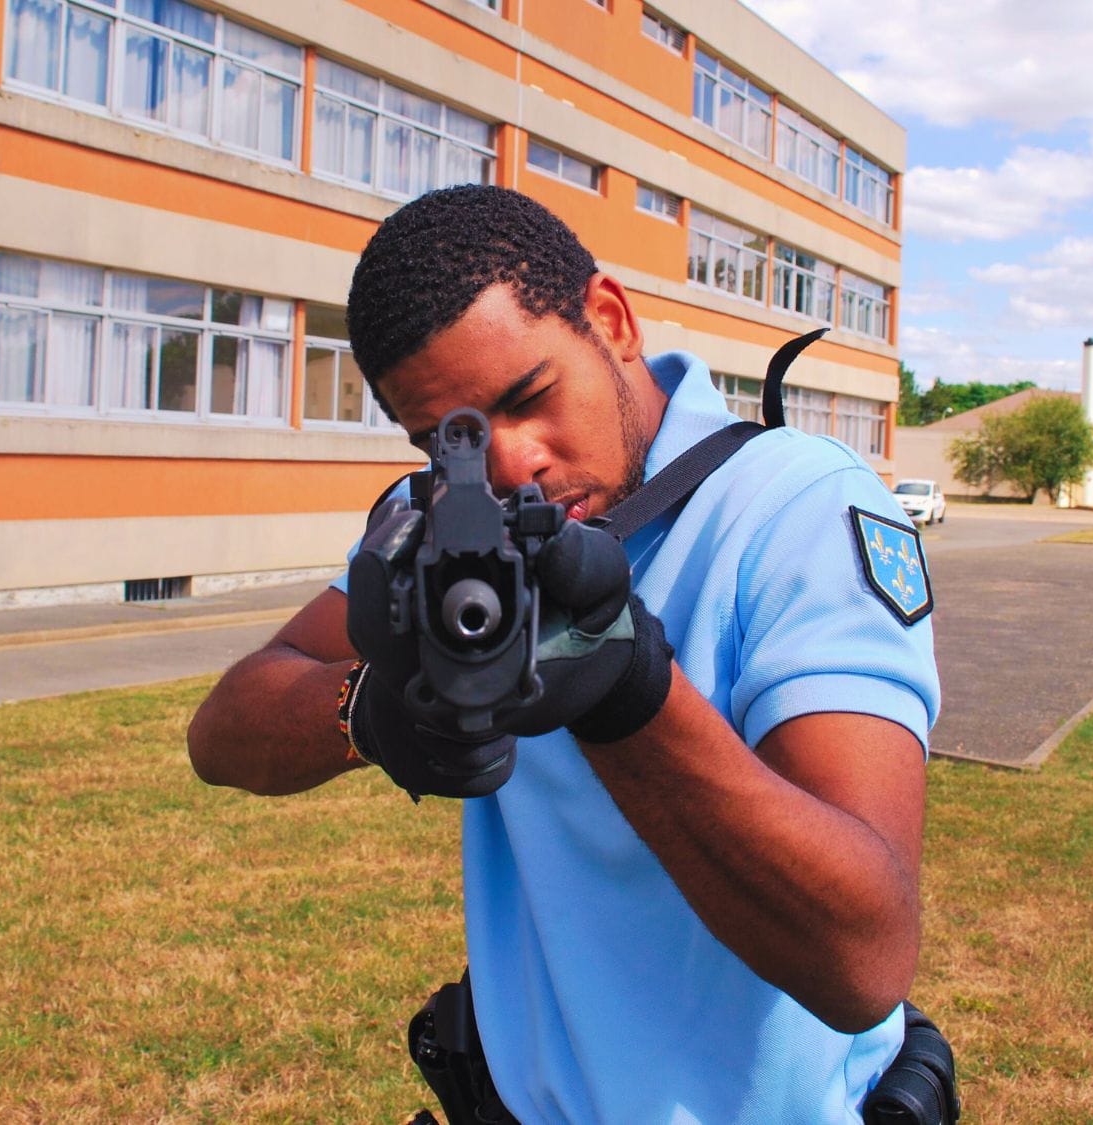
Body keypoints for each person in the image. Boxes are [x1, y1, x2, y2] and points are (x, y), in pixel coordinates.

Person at [187, 185, 940, 1123]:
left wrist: (631, 694)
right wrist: (373, 711)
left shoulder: (794, 505)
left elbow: (861, 956)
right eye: (446, 438)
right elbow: (221, 731)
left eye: (528, 397)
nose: (507, 467)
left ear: (611, 320)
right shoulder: (447, 532)